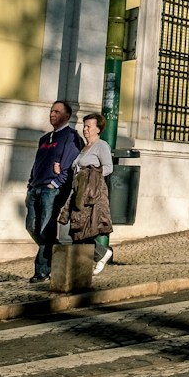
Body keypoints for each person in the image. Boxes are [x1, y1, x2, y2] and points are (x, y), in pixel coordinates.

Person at [25, 100, 82, 284]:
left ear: (67, 116)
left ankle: (42, 271)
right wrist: (30, 184)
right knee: (32, 226)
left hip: (51, 190)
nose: (52, 114)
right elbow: (36, 163)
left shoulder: (71, 137)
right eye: (51, 111)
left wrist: (56, 183)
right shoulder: (44, 139)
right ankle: (57, 251)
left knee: (45, 228)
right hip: (36, 188)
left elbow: (69, 166)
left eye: (57, 111)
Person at [67, 112, 116, 275]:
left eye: (89, 126)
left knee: (84, 229)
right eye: (84, 126)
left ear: (98, 129)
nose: (85, 129)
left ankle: (99, 254)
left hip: (91, 194)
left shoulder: (101, 145)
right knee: (77, 229)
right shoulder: (84, 147)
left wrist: (91, 177)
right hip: (79, 191)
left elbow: (108, 168)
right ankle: (88, 262)